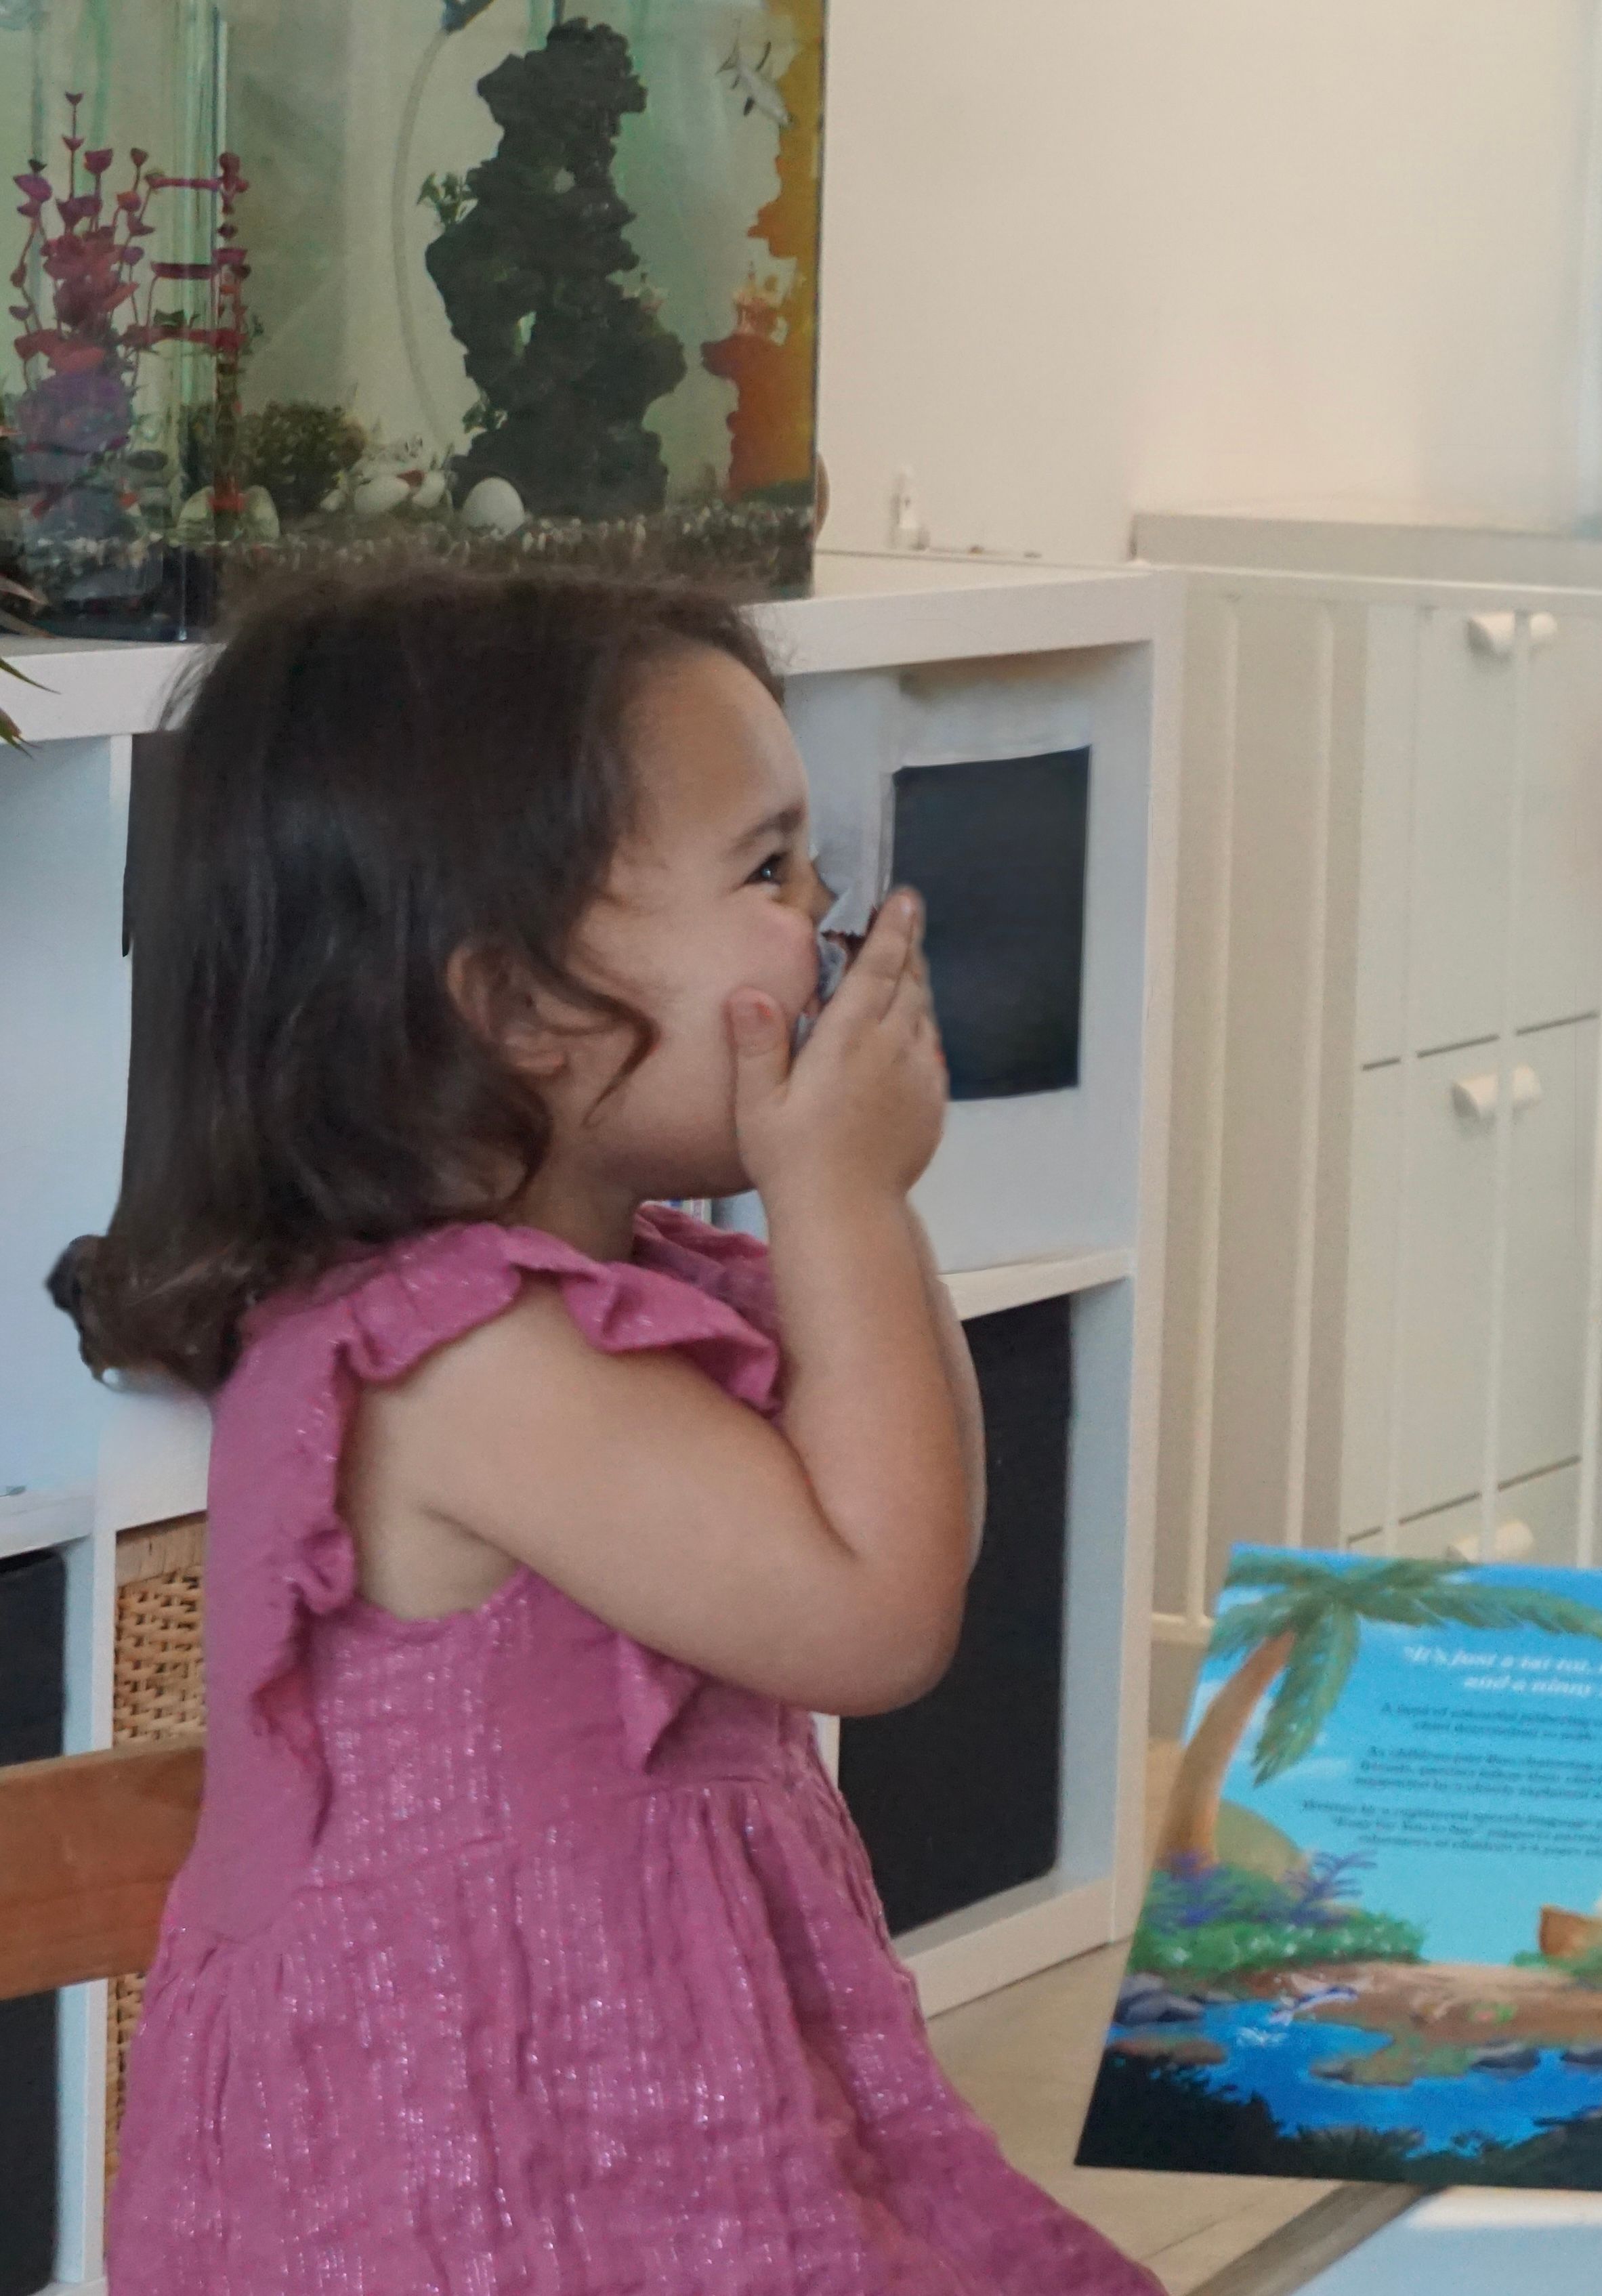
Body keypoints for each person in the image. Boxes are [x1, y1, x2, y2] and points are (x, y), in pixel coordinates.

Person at [53, 568, 1159, 2294]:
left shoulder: (628, 1286)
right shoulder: (465, 1359)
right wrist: (845, 1203)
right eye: (768, 869)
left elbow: (911, 1499)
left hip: (633, 2092)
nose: (832, 921)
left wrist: (853, 1208)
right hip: (482, 2177)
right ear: (518, 1009)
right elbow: (879, 1614)